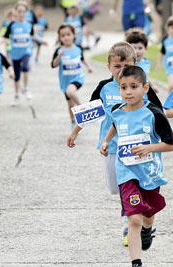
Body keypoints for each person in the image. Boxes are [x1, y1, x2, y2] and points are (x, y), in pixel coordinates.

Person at [67, 42, 162, 247]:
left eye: (126, 65)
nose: (121, 71)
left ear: (135, 65)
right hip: (111, 148)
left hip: (138, 149)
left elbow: (158, 112)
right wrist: (74, 132)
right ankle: (137, 213)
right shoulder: (104, 87)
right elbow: (90, 111)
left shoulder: (142, 86)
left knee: (130, 186)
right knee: (115, 188)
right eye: (117, 66)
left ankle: (131, 225)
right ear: (109, 67)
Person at [100, 66, 173, 267]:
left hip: (149, 174)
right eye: (123, 87)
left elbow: (170, 144)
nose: (128, 92)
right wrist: (106, 141)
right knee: (133, 220)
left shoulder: (154, 113)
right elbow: (115, 124)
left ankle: (148, 229)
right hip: (126, 173)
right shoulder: (117, 111)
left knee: (147, 216)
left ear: (145, 87)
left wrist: (149, 147)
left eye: (133, 86)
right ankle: (136, 262)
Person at [3, 1, 47, 105]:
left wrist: (42, 41)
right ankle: (17, 94)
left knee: (26, 66)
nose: (21, 14)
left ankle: (26, 88)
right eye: (19, 11)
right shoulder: (12, 25)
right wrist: (0, 43)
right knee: (17, 75)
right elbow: (5, 37)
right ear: (16, 12)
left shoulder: (29, 25)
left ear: (26, 12)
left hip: (26, 51)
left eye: (23, 11)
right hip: (15, 53)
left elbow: (33, 36)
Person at [52, 23, 92, 127]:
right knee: (70, 103)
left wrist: (88, 67)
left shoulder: (78, 48)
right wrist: (59, 56)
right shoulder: (59, 50)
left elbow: (82, 58)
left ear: (74, 35)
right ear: (60, 38)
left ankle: (83, 108)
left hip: (78, 77)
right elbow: (53, 65)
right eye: (63, 36)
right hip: (65, 80)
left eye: (68, 34)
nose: (66, 37)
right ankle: (73, 121)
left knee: (70, 92)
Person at [156, 16, 173, 93]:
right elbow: (161, 53)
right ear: (168, 29)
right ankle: (169, 102)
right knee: (171, 85)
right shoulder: (165, 40)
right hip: (169, 66)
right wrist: (159, 64)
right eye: (171, 28)